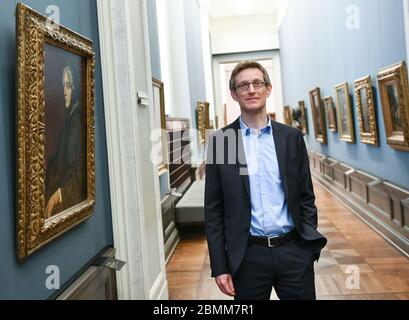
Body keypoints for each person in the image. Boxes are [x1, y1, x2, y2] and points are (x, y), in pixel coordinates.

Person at [205, 60, 327, 300]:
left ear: (268, 89)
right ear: (234, 94)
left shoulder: (291, 137)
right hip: (248, 257)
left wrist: (307, 242)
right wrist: (220, 266)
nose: (251, 90)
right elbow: (214, 211)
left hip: (294, 252)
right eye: (243, 86)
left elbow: (306, 195)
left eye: (257, 83)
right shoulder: (223, 142)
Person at [45, 64, 87, 218]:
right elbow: (60, 160)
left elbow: (80, 175)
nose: (64, 92)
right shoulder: (69, 121)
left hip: (71, 192)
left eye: (68, 86)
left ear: (75, 88)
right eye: (63, 86)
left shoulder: (79, 121)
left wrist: (59, 194)